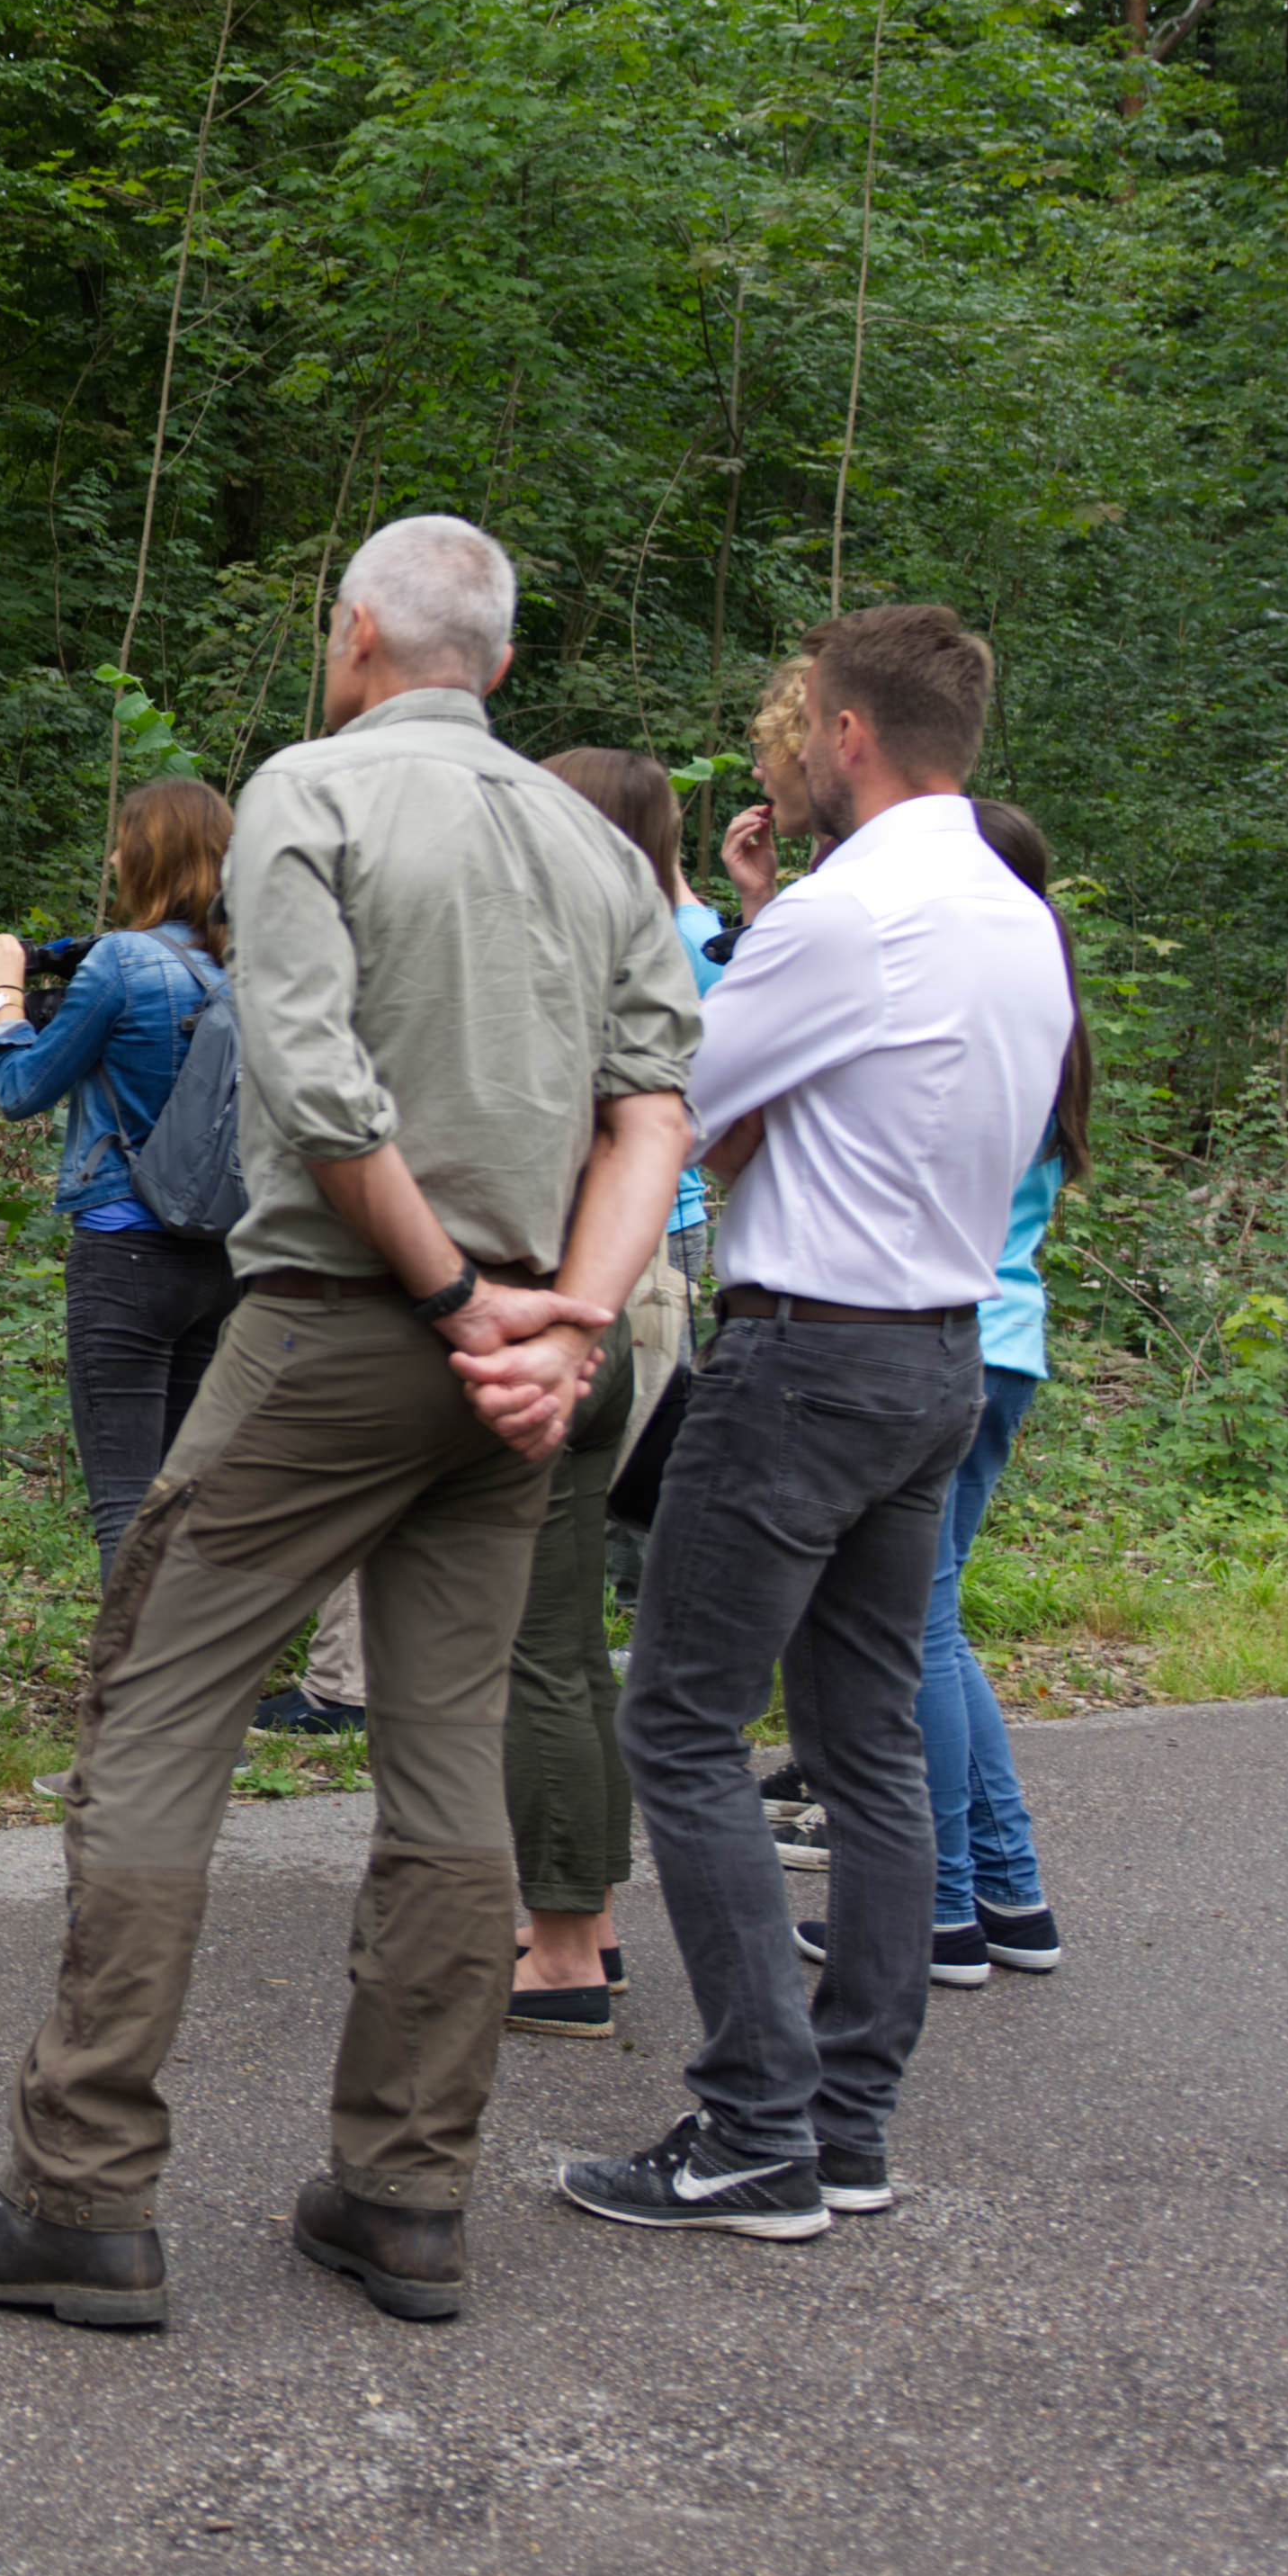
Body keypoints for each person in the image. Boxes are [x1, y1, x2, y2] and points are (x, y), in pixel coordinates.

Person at [0, 516, 696, 2337]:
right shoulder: (591, 837)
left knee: (155, 1711)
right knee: (446, 1752)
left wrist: (449, 1299)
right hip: (518, 1372)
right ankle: (408, 2196)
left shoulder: (309, 791)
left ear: (356, 637)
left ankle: (84, 2190)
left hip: (346, 1325)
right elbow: (657, 1103)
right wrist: (562, 1316)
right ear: (493, 660)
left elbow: (318, 1084)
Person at [559, 603, 1074, 2245]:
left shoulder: (846, 919)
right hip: (933, 1355)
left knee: (682, 1726)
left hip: (801, 1362)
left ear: (848, 734)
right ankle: (845, 2125)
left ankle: (752, 2128)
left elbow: (674, 1114)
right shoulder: (1011, 918)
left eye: (800, 729)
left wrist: (562, 1305)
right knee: (864, 1750)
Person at [499, 747, 704, 2044]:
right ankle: (582, 1926)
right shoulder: (654, 962)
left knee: (540, 1646)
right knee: (569, 1642)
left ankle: (566, 1945)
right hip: (628, 1294)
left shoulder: (547, 971)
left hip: (562, 1301)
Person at [911, 796, 1087, 1985]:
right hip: (1010, 1337)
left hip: (951, 1336)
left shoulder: (977, 1014)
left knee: (909, 1629)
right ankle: (1007, 1895)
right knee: (939, 1619)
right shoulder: (1050, 1015)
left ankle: (939, 1907)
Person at [0, 776, 237, 1578]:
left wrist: (8, 996)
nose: (114, 854)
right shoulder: (258, 967)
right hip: (224, 1252)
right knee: (181, 1489)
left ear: (148, 857)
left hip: (126, 1246)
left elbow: (22, 1091)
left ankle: (137, 1697)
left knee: (125, 1498)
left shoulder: (124, 962)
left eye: (125, 841)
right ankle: (192, 1684)